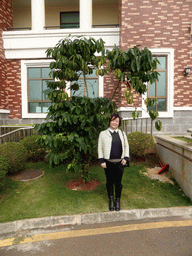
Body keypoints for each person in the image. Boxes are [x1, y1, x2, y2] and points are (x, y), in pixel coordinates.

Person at [98, 113, 129, 211]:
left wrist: (126, 158)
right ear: (109, 121)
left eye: (117, 121)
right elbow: (100, 148)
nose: (114, 123)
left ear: (119, 123)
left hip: (120, 163)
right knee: (109, 182)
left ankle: (117, 200)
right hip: (108, 163)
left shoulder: (122, 134)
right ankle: (111, 199)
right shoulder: (103, 133)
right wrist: (102, 160)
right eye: (113, 120)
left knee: (118, 182)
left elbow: (126, 146)